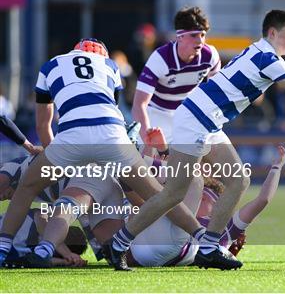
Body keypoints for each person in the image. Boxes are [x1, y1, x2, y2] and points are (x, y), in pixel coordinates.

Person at [107, 9, 285, 271]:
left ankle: (208, 248)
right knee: (174, 193)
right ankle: (118, 244)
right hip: (196, 119)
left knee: (238, 179)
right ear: (272, 32)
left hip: (207, 119)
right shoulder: (267, 59)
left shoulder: (264, 53)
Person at [0, 39, 205, 269]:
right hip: (112, 138)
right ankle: (205, 240)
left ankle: (7, 246)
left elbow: (43, 125)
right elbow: (108, 106)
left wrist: (53, 158)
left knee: (29, 189)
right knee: (158, 194)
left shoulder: (51, 65)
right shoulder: (110, 66)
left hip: (72, 141)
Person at [127, 145, 285, 267]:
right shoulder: (184, 208)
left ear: (219, 206)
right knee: (147, 195)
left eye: (205, 198)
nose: (202, 198)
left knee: (191, 179)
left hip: (172, 248)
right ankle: (126, 157)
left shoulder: (226, 227)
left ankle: (128, 157)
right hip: (145, 246)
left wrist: (276, 168)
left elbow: (263, 199)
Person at [132, 7, 221, 147]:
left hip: (186, 114)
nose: (200, 41)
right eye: (194, 35)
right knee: (151, 166)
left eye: (202, 35)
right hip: (156, 115)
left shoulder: (211, 56)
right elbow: (139, 104)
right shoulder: (161, 59)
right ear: (179, 36)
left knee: (207, 162)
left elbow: (216, 95)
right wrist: (146, 136)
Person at [0, 209, 88, 268]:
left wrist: (66, 261)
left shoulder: (36, 252)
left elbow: (41, 260)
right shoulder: (41, 217)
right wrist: (67, 253)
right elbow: (40, 217)